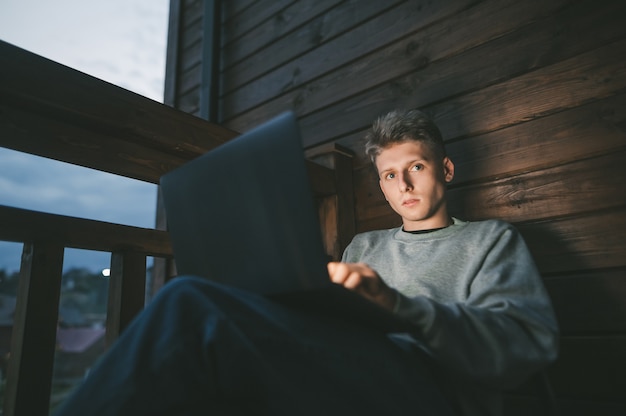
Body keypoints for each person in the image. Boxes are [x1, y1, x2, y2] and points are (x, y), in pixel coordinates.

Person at [55, 109, 558, 416]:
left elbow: (523, 344)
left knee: (188, 302)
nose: (402, 186)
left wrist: (403, 308)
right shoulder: (364, 247)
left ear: (444, 169)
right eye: (388, 175)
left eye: (416, 168)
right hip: (343, 374)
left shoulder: (491, 242)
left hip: (434, 395)